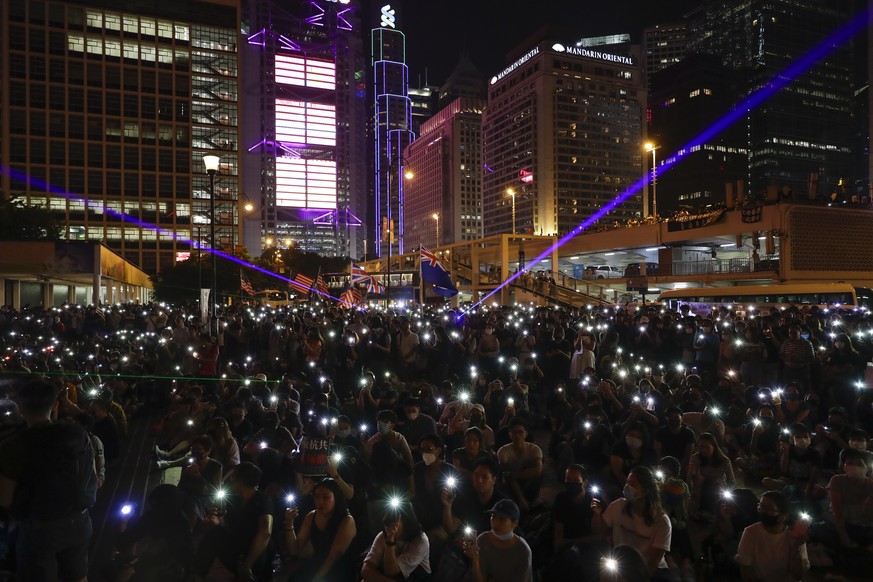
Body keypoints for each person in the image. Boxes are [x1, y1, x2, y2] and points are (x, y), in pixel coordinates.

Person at [0, 377, 98, 582]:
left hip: (39, 528)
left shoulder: (13, 446)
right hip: (79, 520)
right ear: (55, 404)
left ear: (21, 409)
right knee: (78, 576)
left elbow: (5, 499)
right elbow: (93, 478)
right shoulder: (78, 434)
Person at [192, 462, 274, 581]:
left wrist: (247, 564)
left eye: (233, 476)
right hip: (236, 546)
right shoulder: (235, 499)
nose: (230, 478)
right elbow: (228, 524)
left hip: (254, 554)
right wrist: (216, 520)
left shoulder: (262, 500)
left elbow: (265, 531)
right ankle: (197, 575)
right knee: (214, 535)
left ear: (241, 481)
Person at [594, 466, 672, 576]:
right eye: (627, 482)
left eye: (632, 485)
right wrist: (596, 514)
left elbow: (654, 562)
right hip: (621, 566)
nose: (627, 487)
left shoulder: (662, 521)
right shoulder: (618, 506)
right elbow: (598, 531)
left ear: (644, 491)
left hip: (651, 571)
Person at [285, 477, 357, 581]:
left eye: (326, 497)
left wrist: (315, 579)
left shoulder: (347, 520)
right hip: (317, 562)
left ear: (336, 498)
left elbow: (332, 558)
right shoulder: (312, 516)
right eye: (317, 497)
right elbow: (294, 550)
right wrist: (289, 524)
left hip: (339, 568)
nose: (320, 501)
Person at [735, 490, 809, 582]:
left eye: (769, 510)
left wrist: (796, 548)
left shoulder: (794, 536)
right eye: (761, 507)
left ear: (784, 516)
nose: (763, 512)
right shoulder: (751, 532)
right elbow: (747, 574)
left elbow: (798, 576)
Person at [463, 499, 533, 582]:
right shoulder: (483, 540)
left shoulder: (523, 550)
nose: (495, 522)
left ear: (515, 523)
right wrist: (475, 559)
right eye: (493, 516)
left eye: (502, 519)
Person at [361, 503, 431, 582]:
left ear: (406, 521)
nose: (389, 527)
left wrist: (390, 540)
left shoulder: (420, 541)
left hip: (416, 576)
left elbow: (391, 571)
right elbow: (366, 570)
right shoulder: (382, 536)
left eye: (393, 521)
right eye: (387, 522)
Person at [496, 418, 542, 512]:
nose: (517, 435)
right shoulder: (503, 451)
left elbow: (538, 471)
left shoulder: (534, 449)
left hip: (527, 482)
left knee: (537, 476)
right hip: (511, 485)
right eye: (514, 432)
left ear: (526, 434)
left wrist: (514, 474)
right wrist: (521, 498)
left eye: (520, 432)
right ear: (510, 434)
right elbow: (507, 476)